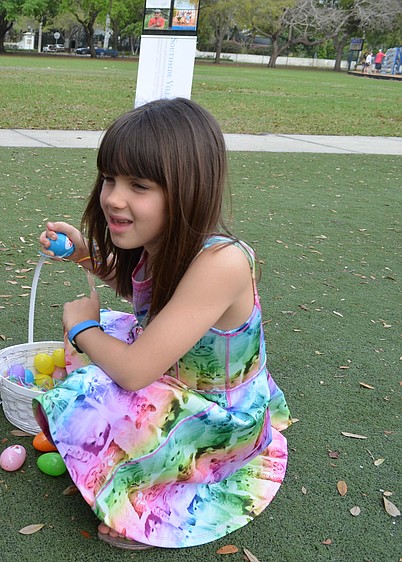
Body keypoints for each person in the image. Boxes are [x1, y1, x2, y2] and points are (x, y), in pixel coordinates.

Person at [35, 98, 291, 550]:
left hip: (218, 418)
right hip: (172, 377)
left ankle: (153, 502)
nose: (114, 197)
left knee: (88, 380)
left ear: (189, 188)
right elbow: (141, 289)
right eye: (110, 179)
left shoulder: (222, 262)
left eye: (139, 185)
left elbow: (134, 371)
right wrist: (80, 255)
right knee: (107, 341)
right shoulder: (167, 244)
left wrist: (82, 328)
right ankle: (135, 460)